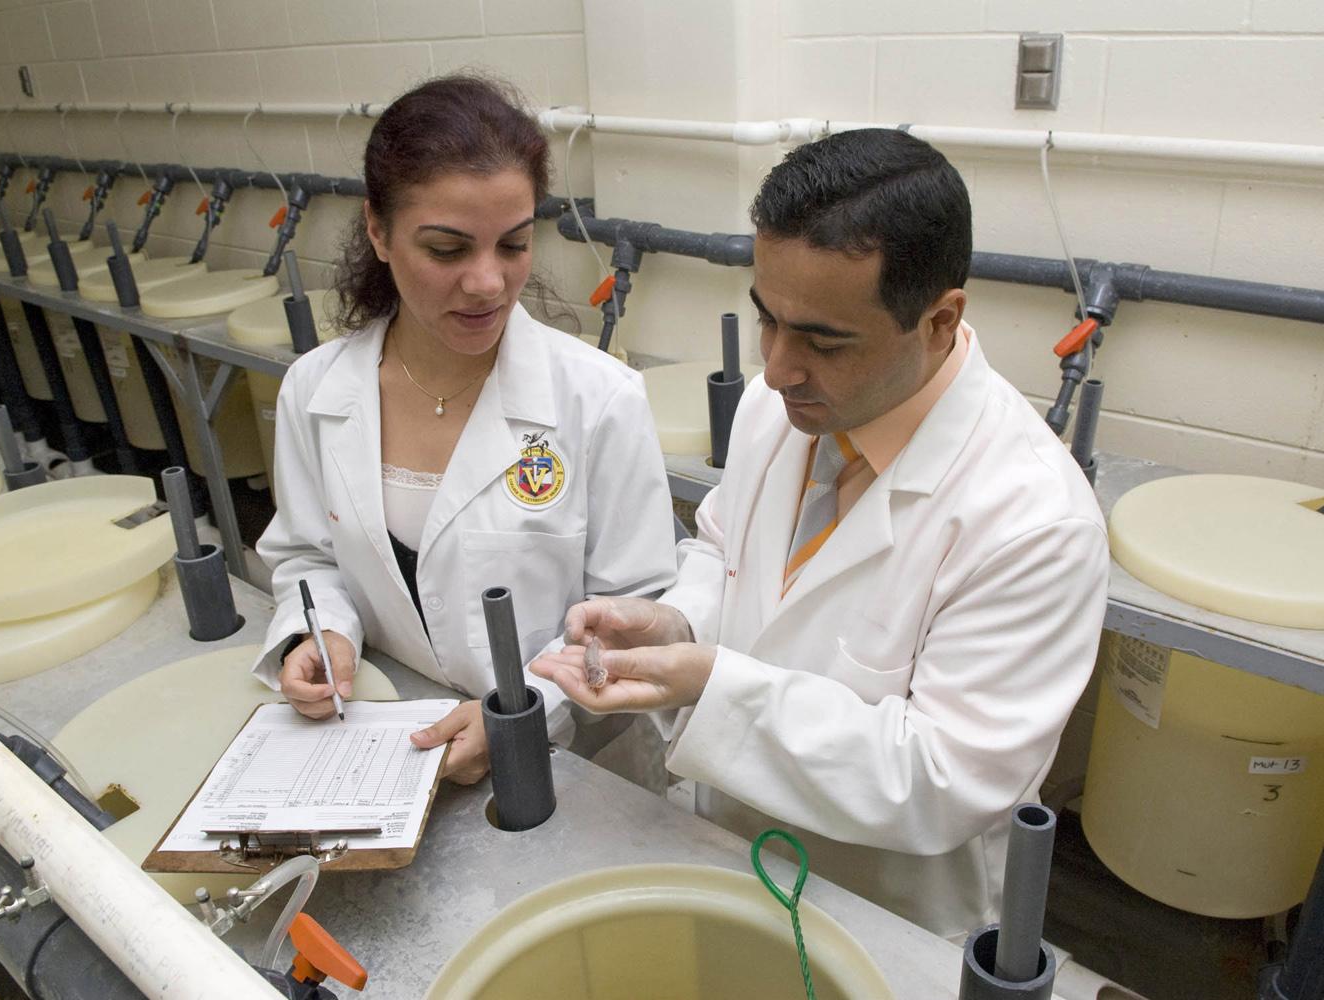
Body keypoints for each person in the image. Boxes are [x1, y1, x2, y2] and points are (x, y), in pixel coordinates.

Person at [532, 128, 1110, 937]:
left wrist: (710, 684)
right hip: (723, 851)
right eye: (768, 319)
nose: (776, 367)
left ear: (940, 321)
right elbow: (724, 549)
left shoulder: (1033, 520)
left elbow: (942, 779)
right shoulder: (785, 408)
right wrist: (679, 622)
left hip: (882, 912)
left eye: (823, 340)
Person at [254, 75, 677, 784]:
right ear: (378, 231)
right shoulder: (317, 392)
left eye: (512, 245)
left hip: (574, 768)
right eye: (448, 250)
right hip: (391, 741)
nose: (487, 283)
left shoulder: (598, 400)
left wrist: (525, 710)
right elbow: (307, 557)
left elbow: (637, 617)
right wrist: (319, 630)